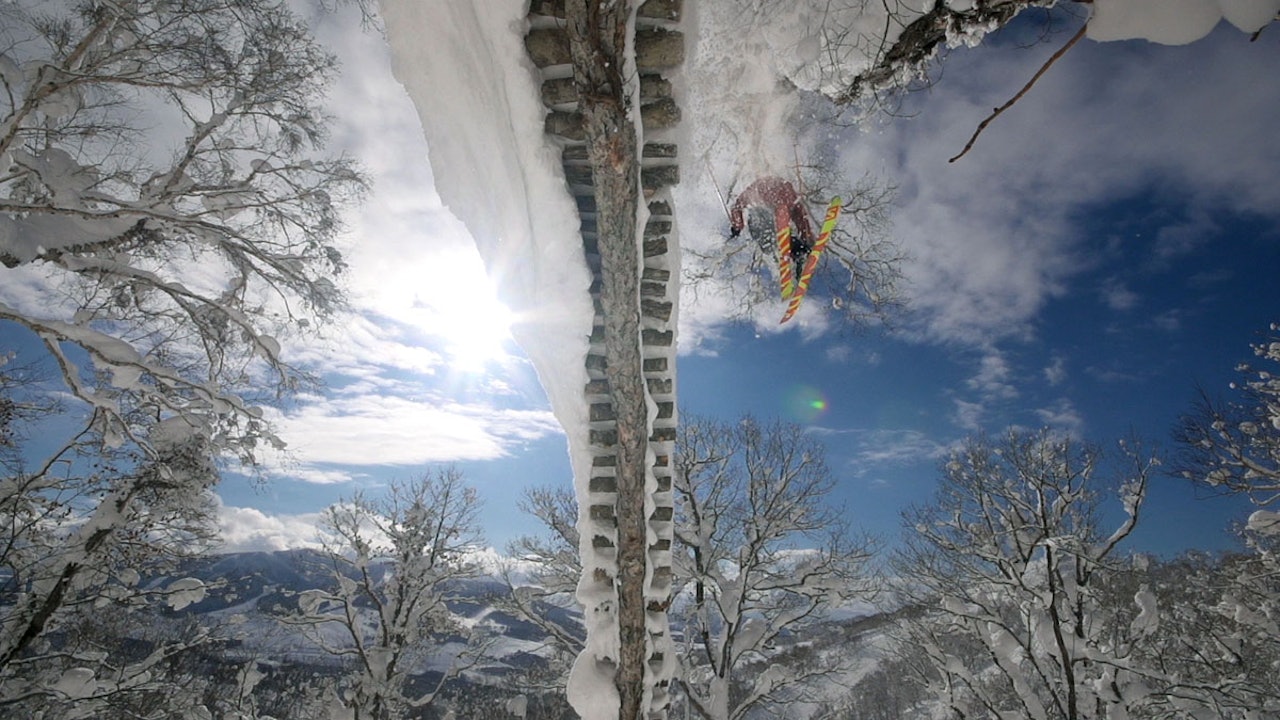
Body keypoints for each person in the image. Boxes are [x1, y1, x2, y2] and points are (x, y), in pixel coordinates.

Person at [728, 176, 816, 278]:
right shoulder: (763, 187)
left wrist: (807, 236)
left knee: (772, 234)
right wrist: (737, 226)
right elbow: (738, 206)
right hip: (767, 222)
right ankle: (796, 250)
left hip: (775, 224)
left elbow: (798, 213)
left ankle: (797, 252)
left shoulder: (779, 187)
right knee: (766, 221)